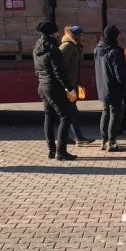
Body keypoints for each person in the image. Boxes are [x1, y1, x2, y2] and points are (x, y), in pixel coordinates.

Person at [33, 20, 78, 161]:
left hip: (42, 86)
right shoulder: (53, 48)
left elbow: (36, 69)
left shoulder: (37, 46)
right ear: (52, 33)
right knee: (65, 117)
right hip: (53, 87)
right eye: (57, 31)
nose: (59, 34)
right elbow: (59, 72)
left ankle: (51, 150)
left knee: (49, 116)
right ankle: (61, 151)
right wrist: (69, 88)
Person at [94, 25, 126, 152]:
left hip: (103, 87)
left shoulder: (98, 49)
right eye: (118, 36)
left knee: (105, 113)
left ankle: (104, 141)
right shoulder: (115, 51)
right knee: (115, 114)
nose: (119, 38)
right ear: (114, 36)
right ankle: (112, 143)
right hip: (114, 88)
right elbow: (120, 74)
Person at [58, 25, 94, 146]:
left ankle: (66, 137)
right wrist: (66, 85)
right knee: (72, 112)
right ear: (75, 36)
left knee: (68, 112)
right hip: (67, 87)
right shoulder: (67, 47)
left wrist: (78, 81)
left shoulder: (75, 46)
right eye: (81, 35)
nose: (83, 37)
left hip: (72, 85)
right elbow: (59, 67)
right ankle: (78, 138)